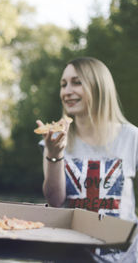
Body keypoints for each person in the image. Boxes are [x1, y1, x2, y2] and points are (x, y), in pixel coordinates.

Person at [37, 57, 138, 260]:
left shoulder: (132, 137)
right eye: (63, 85)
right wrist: (55, 155)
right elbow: (55, 201)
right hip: (72, 255)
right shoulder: (54, 138)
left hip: (124, 257)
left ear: (99, 86)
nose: (67, 91)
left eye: (77, 82)